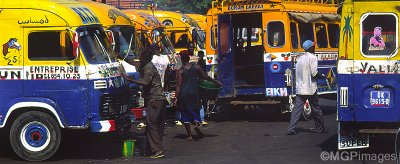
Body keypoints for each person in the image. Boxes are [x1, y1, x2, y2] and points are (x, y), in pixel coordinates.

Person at [123, 50, 167, 158]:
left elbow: (146, 82)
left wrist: (130, 79)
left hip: (155, 99)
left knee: (151, 124)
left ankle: (158, 150)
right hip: (159, 99)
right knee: (156, 125)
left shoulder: (148, 67)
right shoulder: (149, 66)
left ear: (144, 58)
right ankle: (153, 149)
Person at [175, 50, 222, 141]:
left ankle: (189, 135)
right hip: (194, 93)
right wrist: (216, 81)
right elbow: (205, 76)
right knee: (195, 109)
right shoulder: (196, 66)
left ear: (181, 59)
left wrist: (176, 98)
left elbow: (178, 85)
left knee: (185, 113)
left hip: (184, 94)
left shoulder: (180, 71)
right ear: (189, 58)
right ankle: (196, 121)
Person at [287, 40, 328, 135]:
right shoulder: (313, 57)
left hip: (300, 88)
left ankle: (291, 128)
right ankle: (320, 128)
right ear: (311, 48)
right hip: (310, 88)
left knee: (297, 109)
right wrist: (321, 76)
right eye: (314, 46)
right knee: (316, 108)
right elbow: (314, 73)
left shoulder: (300, 58)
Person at [197, 51, 208, 126]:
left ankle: (202, 115)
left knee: (202, 99)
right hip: (201, 81)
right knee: (202, 99)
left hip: (201, 81)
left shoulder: (201, 63)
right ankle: (202, 115)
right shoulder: (200, 62)